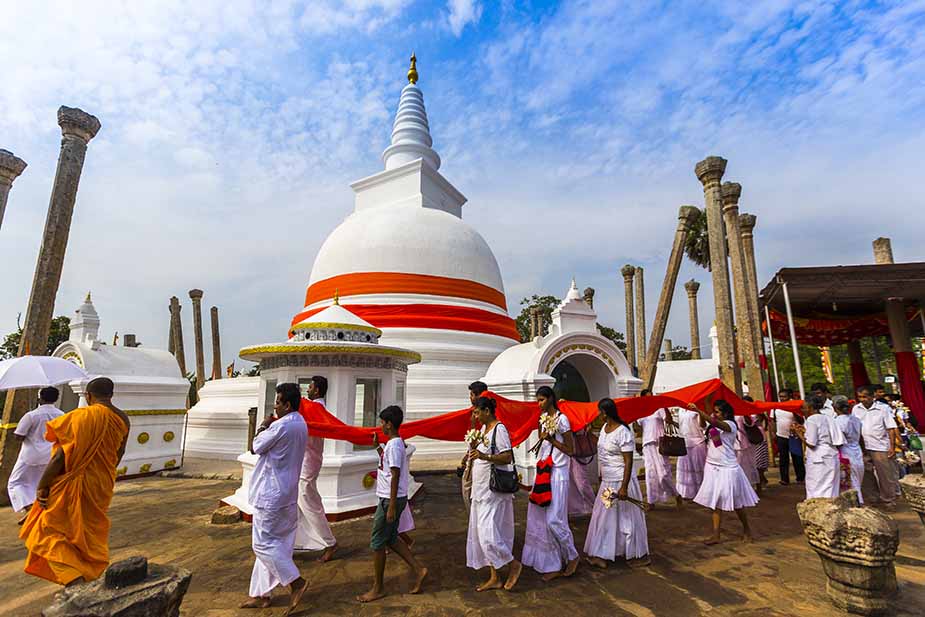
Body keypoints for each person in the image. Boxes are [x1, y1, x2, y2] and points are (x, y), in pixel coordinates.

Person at [19, 377, 130, 586]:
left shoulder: (80, 416)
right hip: (101, 484)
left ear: (88, 396)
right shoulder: (123, 419)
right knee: (86, 535)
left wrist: (43, 485)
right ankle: (88, 575)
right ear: (111, 395)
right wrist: (102, 474)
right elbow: (118, 453)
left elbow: (60, 457)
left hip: (72, 482)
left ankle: (74, 581)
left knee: (48, 532)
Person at [241, 383, 309, 614]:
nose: (275, 405)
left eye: (278, 401)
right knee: (277, 544)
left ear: (287, 405)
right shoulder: (300, 423)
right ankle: (261, 594)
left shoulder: (280, 426)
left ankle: (296, 582)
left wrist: (263, 424)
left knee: (262, 544)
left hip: (270, 494)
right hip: (287, 492)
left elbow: (255, 446)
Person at [358, 406, 427, 603]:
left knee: (377, 541)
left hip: (390, 499)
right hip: (390, 497)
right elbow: (389, 466)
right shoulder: (392, 445)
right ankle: (419, 569)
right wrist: (378, 447)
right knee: (391, 539)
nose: (381, 426)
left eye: (382, 422)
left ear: (389, 424)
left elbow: (395, 474)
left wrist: (391, 506)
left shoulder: (395, 445)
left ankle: (378, 587)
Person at [521, 386, 579, 580]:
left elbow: (571, 449)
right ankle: (550, 562)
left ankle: (572, 556)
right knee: (538, 517)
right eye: (537, 400)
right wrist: (543, 431)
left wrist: (552, 439)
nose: (539, 404)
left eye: (542, 400)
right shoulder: (542, 419)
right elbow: (541, 440)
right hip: (543, 471)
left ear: (551, 399)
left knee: (555, 519)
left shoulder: (562, 420)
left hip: (559, 474)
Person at [584, 399, 649, 569]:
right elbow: (602, 452)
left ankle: (634, 553)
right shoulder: (605, 430)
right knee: (605, 516)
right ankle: (602, 553)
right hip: (607, 480)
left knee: (627, 518)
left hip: (621, 480)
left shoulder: (623, 431)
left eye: (599, 412)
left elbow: (628, 462)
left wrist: (624, 487)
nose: (597, 416)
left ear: (605, 413)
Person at [465, 396, 522, 591]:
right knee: (481, 535)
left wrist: (484, 456)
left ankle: (513, 564)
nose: (475, 415)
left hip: (493, 491)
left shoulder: (500, 429)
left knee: (488, 534)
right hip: (480, 490)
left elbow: (507, 456)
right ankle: (495, 577)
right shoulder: (482, 430)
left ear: (487, 411)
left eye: (476, 412)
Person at [690, 397, 758, 544]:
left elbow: (714, 422)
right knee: (715, 501)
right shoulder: (715, 427)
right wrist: (705, 405)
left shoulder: (730, 425)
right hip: (714, 466)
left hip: (728, 467)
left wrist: (698, 410)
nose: (715, 414)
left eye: (717, 412)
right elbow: (717, 442)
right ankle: (716, 534)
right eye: (714, 412)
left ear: (725, 413)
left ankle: (747, 530)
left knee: (737, 503)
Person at [294, 375, 338, 562]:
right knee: (298, 502)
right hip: (305, 460)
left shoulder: (314, 408)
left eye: (310, 387)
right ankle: (297, 541)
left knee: (308, 502)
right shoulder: (313, 408)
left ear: (317, 391)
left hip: (308, 461)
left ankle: (329, 542)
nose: (308, 390)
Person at [8, 387, 64, 524]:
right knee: (41, 484)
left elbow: (18, 436)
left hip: (30, 456)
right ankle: (39, 511)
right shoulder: (62, 414)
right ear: (56, 399)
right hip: (52, 456)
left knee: (15, 483)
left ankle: (31, 509)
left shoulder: (31, 415)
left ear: (40, 398)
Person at [853, 386, 900, 507]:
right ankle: (873, 498)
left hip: (880, 446)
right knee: (866, 474)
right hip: (863, 447)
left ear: (872, 396)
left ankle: (888, 500)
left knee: (885, 475)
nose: (862, 399)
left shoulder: (883, 408)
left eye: (865, 396)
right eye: (860, 397)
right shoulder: (856, 409)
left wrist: (892, 447)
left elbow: (890, 428)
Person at [636, 390, 682, 508]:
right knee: (650, 474)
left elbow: (669, 420)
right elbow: (639, 427)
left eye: (651, 397)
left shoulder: (659, 408)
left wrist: (664, 404)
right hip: (647, 444)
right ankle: (651, 502)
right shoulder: (641, 410)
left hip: (660, 444)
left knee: (663, 474)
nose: (650, 399)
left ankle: (676, 494)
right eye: (647, 397)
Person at [793, 395, 844, 499]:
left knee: (817, 488)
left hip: (818, 459)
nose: (802, 410)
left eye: (804, 407)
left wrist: (798, 434)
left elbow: (811, 443)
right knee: (830, 488)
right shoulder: (828, 418)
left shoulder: (812, 419)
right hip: (831, 455)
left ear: (811, 408)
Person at [459, 381, 488, 510]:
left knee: (470, 490)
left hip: (481, 460)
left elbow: (477, 440)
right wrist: (466, 457)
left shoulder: (484, 416)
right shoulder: (475, 414)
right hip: (475, 457)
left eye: (471, 394)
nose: (470, 398)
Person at [834, 395, 864, 503]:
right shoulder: (856, 419)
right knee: (857, 478)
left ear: (835, 408)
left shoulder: (837, 421)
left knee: (850, 479)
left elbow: (838, 441)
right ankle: (857, 500)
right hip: (857, 450)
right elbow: (861, 437)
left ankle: (857, 502)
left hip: (845, 452)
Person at [770, 389, 804, 485]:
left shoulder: (795, 405)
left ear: (789, 396)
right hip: (781, 435)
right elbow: (772, 421)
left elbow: (801, 420)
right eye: (780, 396)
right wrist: (773, 433)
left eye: (784, 396)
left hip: (794, 436)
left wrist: (794, 412)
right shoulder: (776, 407)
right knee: (783, 458)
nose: (782, 398)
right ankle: (784, 479)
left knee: (797, 457)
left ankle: (800, 478)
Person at [675, 402, 707, 499]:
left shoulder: (697, 410)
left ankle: (702, 494)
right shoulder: (680, 410)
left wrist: (700, 412)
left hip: (697, 442)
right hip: (684, 443)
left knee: (698, 468)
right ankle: (687, 494)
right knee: (685, 470)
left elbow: (703, 426)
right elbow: (681, 425)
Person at [743, 396, 770, 488]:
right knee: (754, 463)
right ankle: (760, 480)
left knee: (759, 463)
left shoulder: (755, 412)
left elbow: (753, 422)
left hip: (758, 438)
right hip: (749, 439)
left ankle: (759, 484)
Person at [398, 441, 416, 547]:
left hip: (395, 493)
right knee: (391, 525)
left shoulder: (395, 448)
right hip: (392, 493)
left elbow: (395, 474)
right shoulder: (393, 447)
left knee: (389, 525)